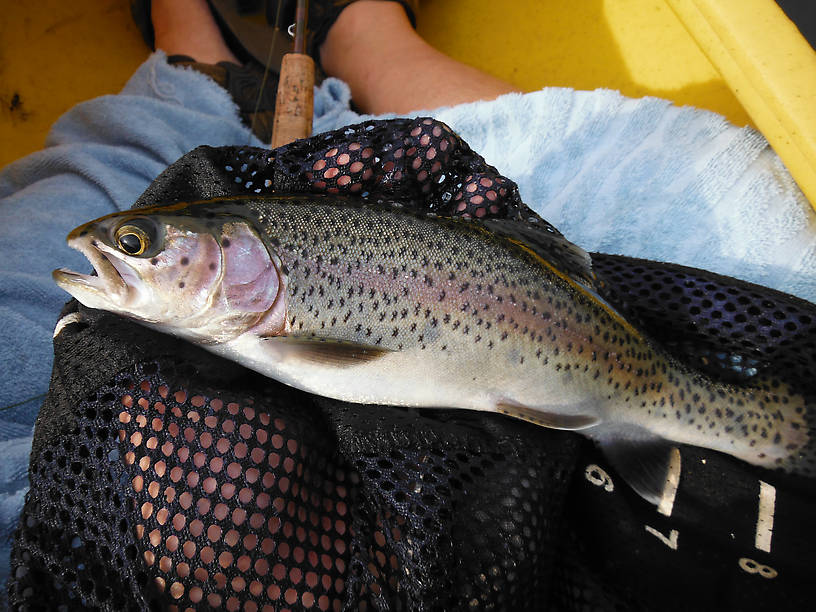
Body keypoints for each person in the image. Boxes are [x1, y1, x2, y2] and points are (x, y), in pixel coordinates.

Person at [2, 1, 815, 609]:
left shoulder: (273, 329)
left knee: (103, 164)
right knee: (664, 151)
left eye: (138, 245)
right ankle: (368, 34)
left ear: (244, 257)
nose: (106, 247)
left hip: (591, 381)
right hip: (594, 370)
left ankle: (183, 60)